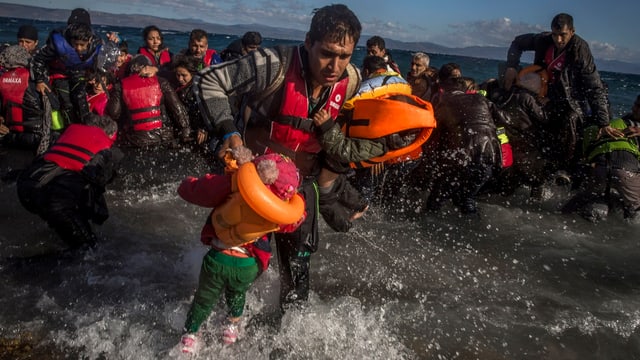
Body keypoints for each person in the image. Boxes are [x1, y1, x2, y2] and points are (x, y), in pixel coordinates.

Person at [195, 4, 362, 309]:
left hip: (300, 189)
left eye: (345, 56)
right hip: (252, 186)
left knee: (297, 276)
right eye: (326, 53)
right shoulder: (271, 64)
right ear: (309, 41)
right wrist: (229, 133)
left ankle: (287, 344)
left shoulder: (350, 80)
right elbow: (209, 80)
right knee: (234, 268)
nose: (334, 66)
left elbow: (353, 123)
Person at [178, 148, 304, 353]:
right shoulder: (280, 210)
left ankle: (190, 336)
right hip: (248, 265)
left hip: (218, 258)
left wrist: (188, 184)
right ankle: (231, 326)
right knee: (237, 294)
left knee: (203, 299)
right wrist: (298, 205)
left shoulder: (235, 184)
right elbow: (293, 223)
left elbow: (199, 191)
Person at [502, 13, 622, 180]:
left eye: (563, 35)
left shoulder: (580, 49)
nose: (558, 40)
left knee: (571, 118)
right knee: (518, 98)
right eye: (555, 34)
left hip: (572, 98)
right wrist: (511, 66)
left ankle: (565, 168)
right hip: (545, 89)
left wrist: (604, 122)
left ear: (572, 32)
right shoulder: (543, 40)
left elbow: (594, 86)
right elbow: (517, 43)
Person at [16, 113, 121, 249]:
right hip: (57, 198)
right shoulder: (110, 151)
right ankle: (20, 267)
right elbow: (97, 192)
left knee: (63, 223)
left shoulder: (69, 132)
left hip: (26, 187)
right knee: (89, 250)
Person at [426, 76, 508, 215]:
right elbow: (504, 120)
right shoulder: (482, 99)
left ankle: (426, 225)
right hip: (489, 154)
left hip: (461, 155)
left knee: (435, 201)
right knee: (467, 198)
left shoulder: (445, 102)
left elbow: (433, 131)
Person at [561, 95, 640, 223]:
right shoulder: (627, 122)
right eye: (635, 104)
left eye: (638, 106)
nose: (634, 108)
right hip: (626, 172)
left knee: (583, 200)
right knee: (635, 210)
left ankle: (562, 215)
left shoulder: (613, 124)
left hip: (601, 169)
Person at [30, 9, 102, 125]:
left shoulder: (95, 43)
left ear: (89, 40)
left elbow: (94, 62)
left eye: (82, 45)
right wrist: (39, 80)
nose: (78, 48)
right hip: (59, 76)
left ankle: (85, 129)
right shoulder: (57, 43)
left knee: (81, 102)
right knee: (67, 104)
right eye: (75, 44)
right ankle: (69, 130)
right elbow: (38, 59)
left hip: (78, 75)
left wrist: (93, 75)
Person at [107, 54, 191, 148]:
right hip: (163, 137)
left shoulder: (120, 86)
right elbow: (178, 109)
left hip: (135, 140)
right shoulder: (162, 82)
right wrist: (185, 131)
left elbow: (114, 113)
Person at [172, 54, 210, 153]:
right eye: (178, 75)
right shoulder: (177, 87)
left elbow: (205, 109)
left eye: (184, 75)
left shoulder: (197, 89)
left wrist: (203, 128)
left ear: (192, 74)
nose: (180, 79)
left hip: (199, 130)